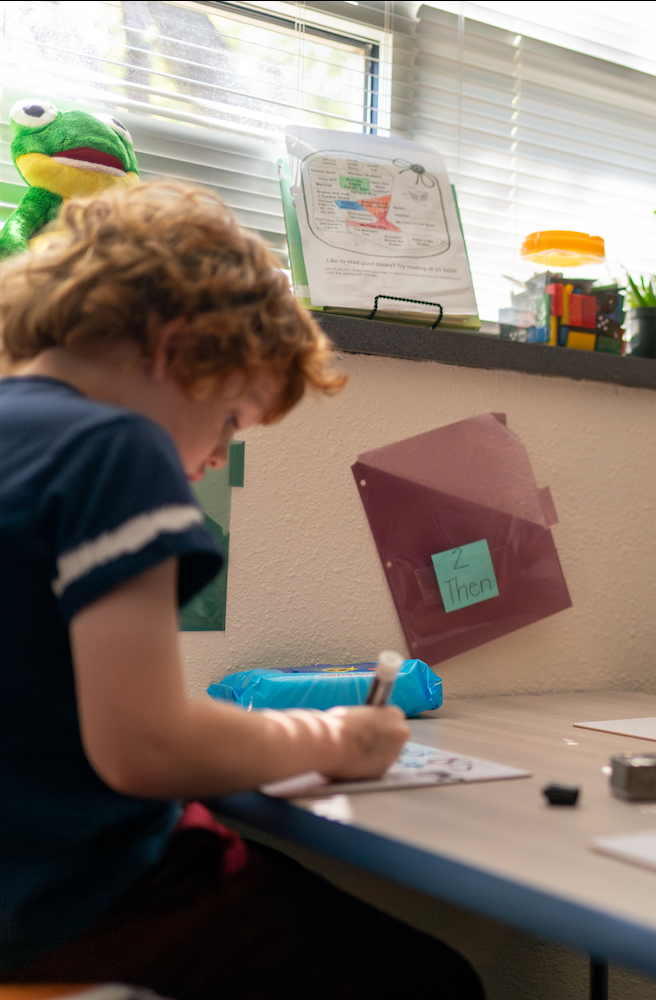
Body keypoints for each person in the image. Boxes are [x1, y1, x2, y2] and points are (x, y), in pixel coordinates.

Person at [0, 182, 482, 997]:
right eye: (230, 421)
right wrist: (336, 740)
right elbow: (145, 747)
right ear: (176, 347)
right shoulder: (113, 448)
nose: (220, 457)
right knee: (434, 982)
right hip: (90, 901)